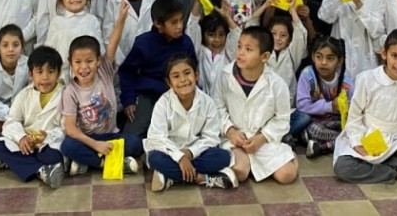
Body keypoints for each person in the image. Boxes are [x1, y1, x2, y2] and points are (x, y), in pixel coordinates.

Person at [333, 30, 397, 185]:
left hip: (394, 140)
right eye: (395, 56)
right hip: (366, 134)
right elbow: (354, 116)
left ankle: (377, 168)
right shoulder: (367, 79)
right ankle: (395, 171)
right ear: (384, 53)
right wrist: (357, 143)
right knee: (343, 168)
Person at [60, 4, 144, 175]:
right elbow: (70, 129)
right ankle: (104, 163)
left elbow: (113, 42)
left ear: (98, 61)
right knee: (67, 145)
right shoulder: (70, 91)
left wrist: (121, 18)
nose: (84, 67)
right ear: (70, 62)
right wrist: (95, 144)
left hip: (111, 136)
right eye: (78, 62)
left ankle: (86, 162)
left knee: (136, 143)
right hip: (87, 140)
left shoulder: (104, 70)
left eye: (89, 61)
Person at [215, 26, 299, 184]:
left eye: (248, 49)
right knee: (240, 172)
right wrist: (230, 131)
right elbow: (217, 108)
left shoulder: (277, 84)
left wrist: (262, 138)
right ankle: (247, 161)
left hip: (262, 140)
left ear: (265, 56)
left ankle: (289, 155)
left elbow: (282, 119)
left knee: (287, 176)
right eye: (239, 46)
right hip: (234, 137)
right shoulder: (225, 76)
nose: (240, 52)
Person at [145, 54, 237, 191]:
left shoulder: (207, 102)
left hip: (196, 152)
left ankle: (170, 176)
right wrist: (180, 157)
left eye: (187, 73)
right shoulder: (163, 104)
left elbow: (211, 137)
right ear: (169, 83)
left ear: (196, 75)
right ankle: (203, 179)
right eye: (176, 76)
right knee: (154, 158)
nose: (183, 80)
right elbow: (157, 137)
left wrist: (189, 153)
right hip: (170, 153)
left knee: (223, 157)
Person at [0, 46, 67, 188]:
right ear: (31, 74)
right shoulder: (24, 94)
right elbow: (11, 121)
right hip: (25, 143)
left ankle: (12, 162)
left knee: (52, 155)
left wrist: (45, 137)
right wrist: (21, 138)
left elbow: (66, 128)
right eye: (39, 72)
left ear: (59, 73)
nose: (45, 77)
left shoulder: (66, 95)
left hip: (49, 143)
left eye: (51, 71)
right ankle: (41, 170)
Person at [120, 0, 198, 137]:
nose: (180, 26)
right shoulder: (143, 43)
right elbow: (127, 71)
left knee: (185, 134)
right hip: (150, 95)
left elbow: (193, 71)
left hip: (179, 94)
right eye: (174, 22)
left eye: (181, 20)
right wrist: (129, 100)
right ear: (158, 24)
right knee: (131, 138)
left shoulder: (186, 43)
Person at [318, 0, 385, 81]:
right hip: (339, 55)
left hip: (365, 60)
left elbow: (377, 29)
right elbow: (324, 16)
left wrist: (359, 4)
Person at [296, 36, 353, 158]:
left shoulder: (346, 83)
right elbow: (302, 106)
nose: (323, 62)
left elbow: (353, 109)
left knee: (350, 128)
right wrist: (330, 106)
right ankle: (344, 142)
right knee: (315, 130)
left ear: (339, 60)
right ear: (313, 57)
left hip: (333, 122)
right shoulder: (307, 75)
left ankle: (323, 147)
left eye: (330, 58)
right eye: (319, 57)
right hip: (313, 121)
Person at [44, 0, 103, 80]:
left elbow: (100, 48)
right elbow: (49, 49)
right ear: (61, 1)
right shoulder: (57, 21)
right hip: (62, 75)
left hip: (87, 73)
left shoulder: (92, 20)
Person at [0, 25, 29, 136]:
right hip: (1, 113)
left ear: (22, 47)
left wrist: (23, 113)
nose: (10, 49)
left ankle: (16, 130)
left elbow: (33, 91)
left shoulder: (28, 64)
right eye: (5, 45)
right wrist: (12, 116)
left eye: (16, 45)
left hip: (24, 110)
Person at [186, 2, 240, 98]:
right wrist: (197, 0)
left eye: (221, 34)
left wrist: (227, 17)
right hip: (202, 101)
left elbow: (236, 35)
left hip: (225, 100)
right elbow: (192, 26)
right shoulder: (199, 52)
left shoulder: (228, 53)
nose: (217, 40)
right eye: (211, 35)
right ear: (203, 35)